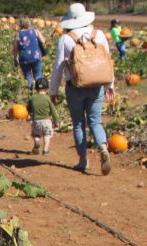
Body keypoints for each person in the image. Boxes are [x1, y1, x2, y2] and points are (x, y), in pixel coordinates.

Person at [49, 3, 114, 175]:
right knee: (95, 121)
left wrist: (53, 91)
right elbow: (107, 61)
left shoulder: (65, 39)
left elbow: (58, 67)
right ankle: (103, 148)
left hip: (75, 87)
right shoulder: (99, 35)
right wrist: (110, 85)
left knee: (78, 124)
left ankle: (83, 160)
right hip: (97, 85)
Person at [28, 77, 61, 154]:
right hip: (46, 121)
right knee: (47, 135)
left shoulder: (32, 98)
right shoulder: (47, 99)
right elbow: (53, 111)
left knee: (36, 134)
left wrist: (30, 113)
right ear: (47, 89)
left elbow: (28, 108)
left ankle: (37, 141)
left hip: (36, 121)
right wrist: (56, 121)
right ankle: (45, 150)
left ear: (36, 89)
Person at [13, 17, 47, 90]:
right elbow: (43, 41)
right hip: (36, 56)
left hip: (24, 58)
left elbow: (15, 48)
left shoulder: (18, 34)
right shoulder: (35, 31)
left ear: (21, 24)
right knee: (38, 75)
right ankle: (40, 91)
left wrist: (15, 59)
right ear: (29, 23)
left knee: (28, 76)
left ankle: (30, 90)